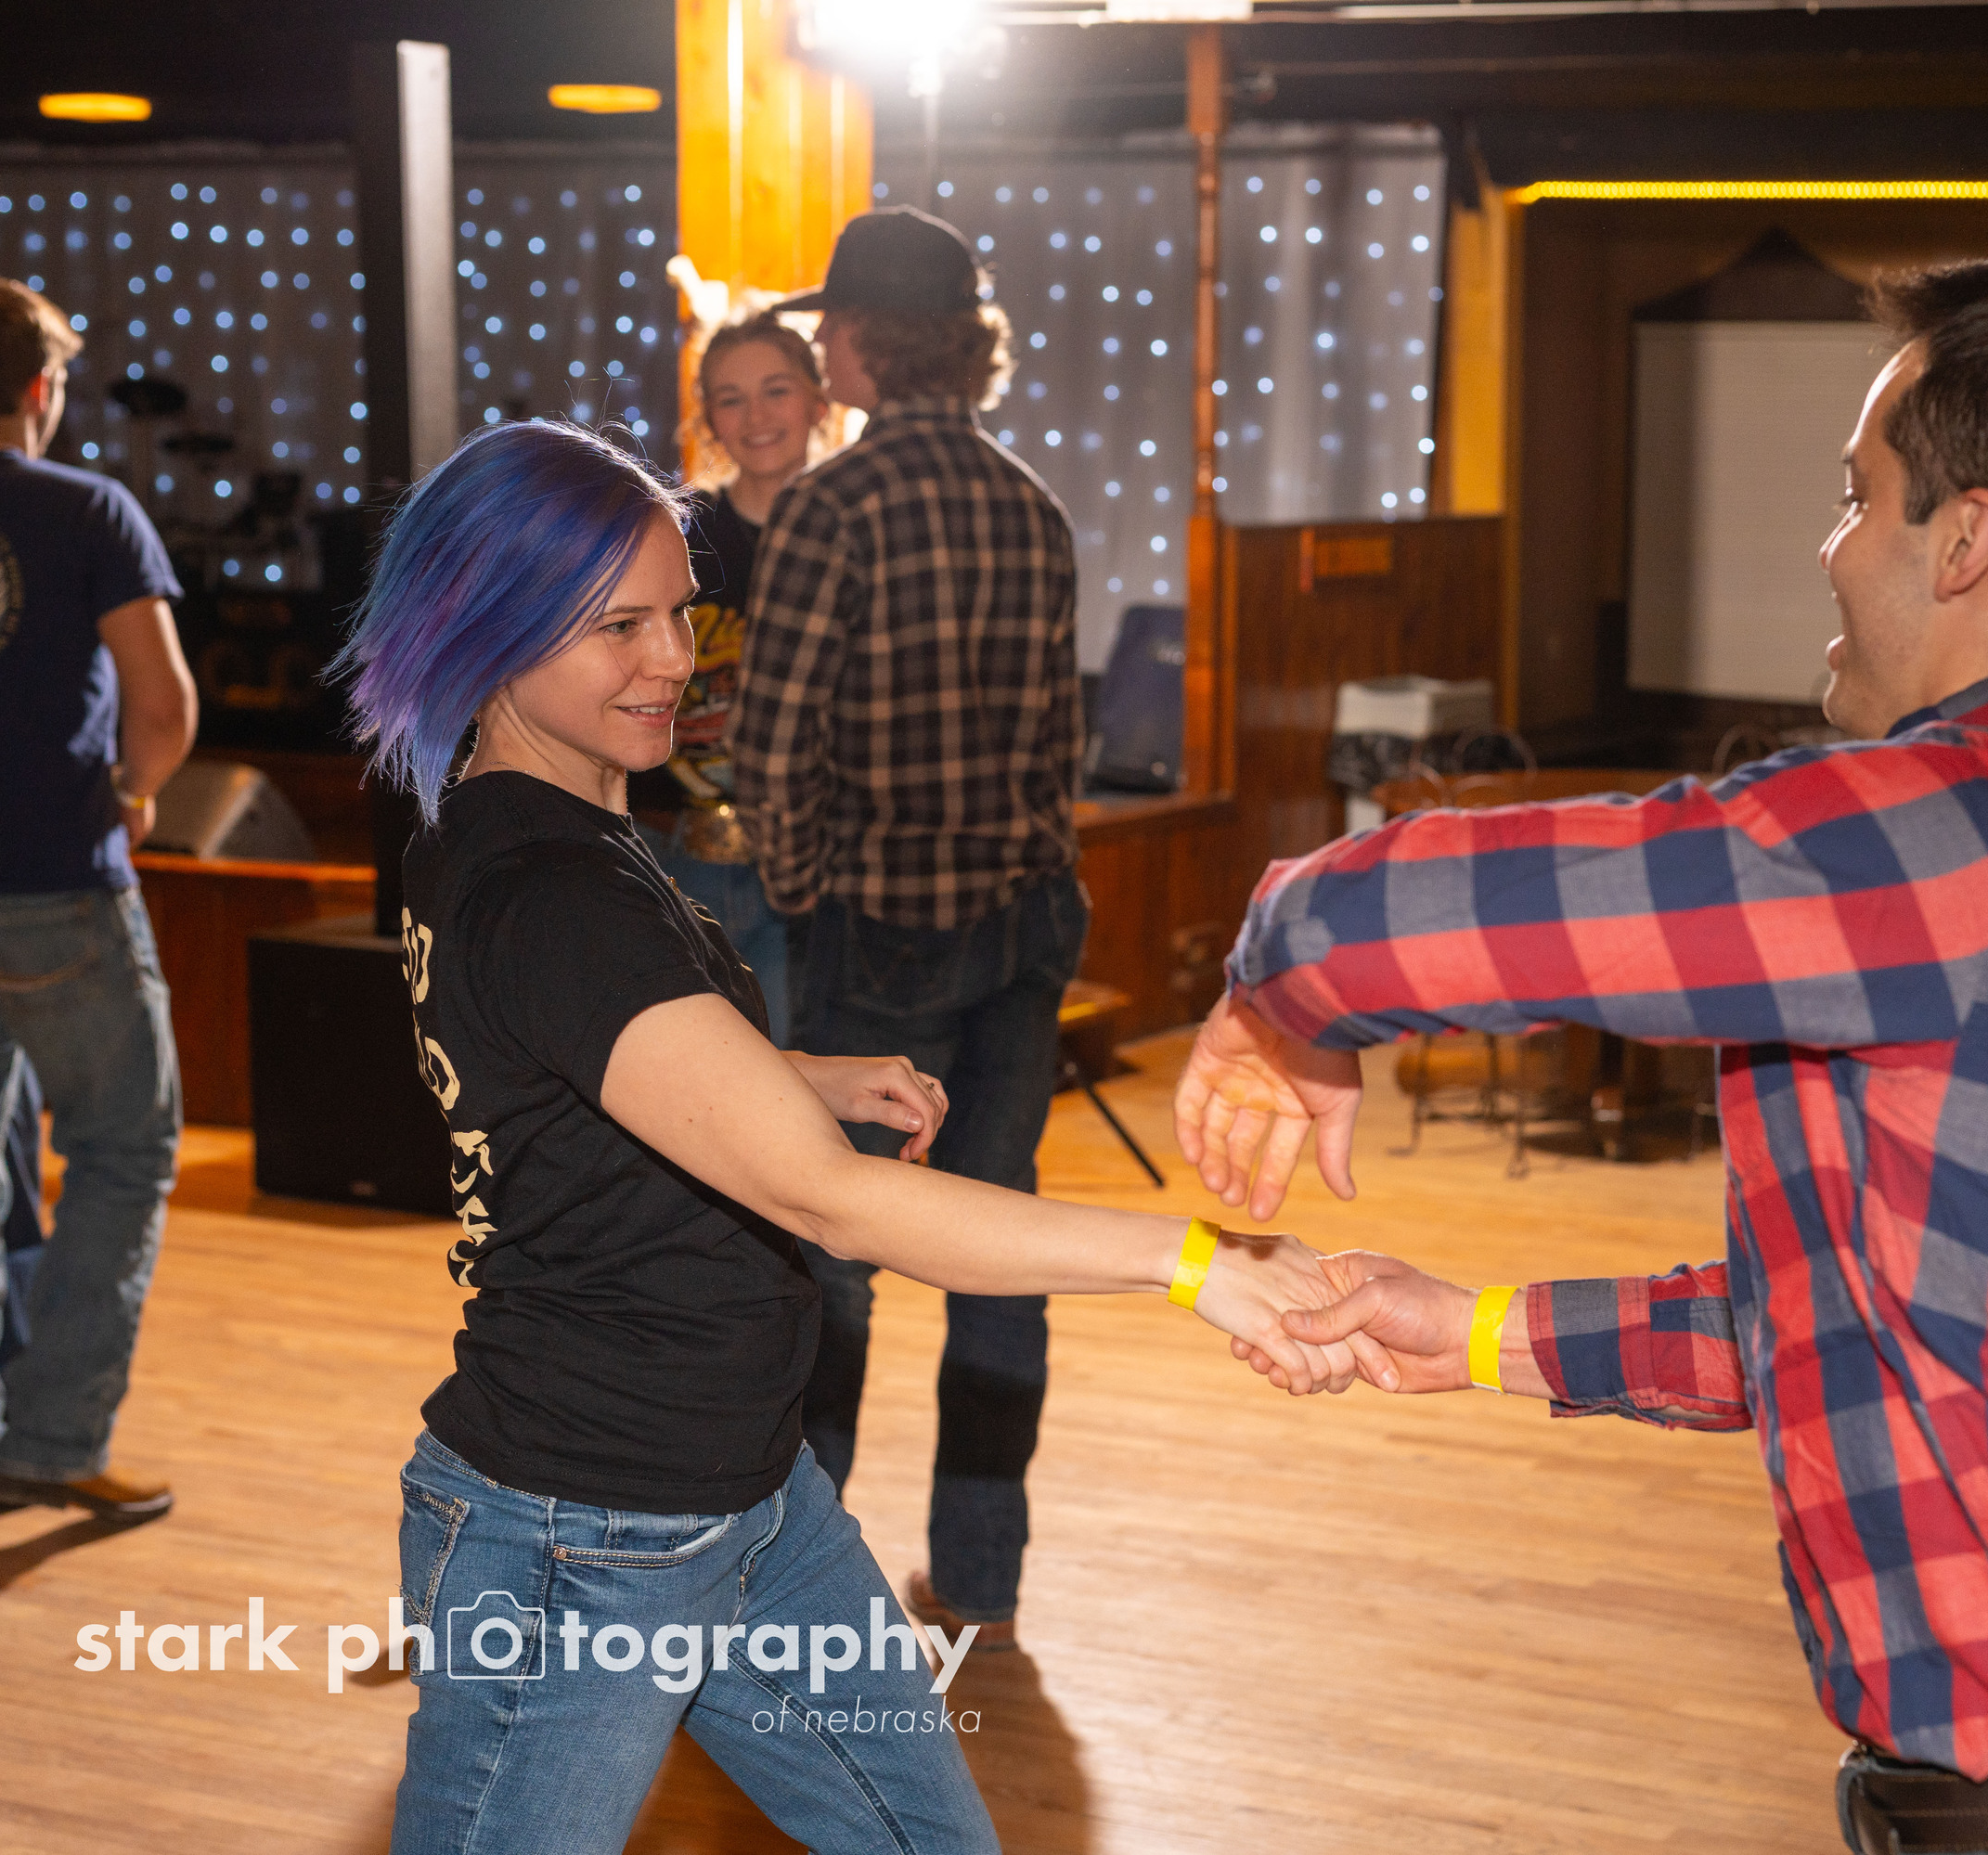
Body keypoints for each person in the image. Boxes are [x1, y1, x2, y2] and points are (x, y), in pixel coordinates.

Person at [1180, 260, 1988, 1853]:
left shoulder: (1964, 830)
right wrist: (1470, 1330)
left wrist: (1279, 989)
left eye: (1858, 495)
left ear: (1967, 541)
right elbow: (1864, 1324)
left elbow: (1412, 915)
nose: (1830, 546)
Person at [329, 418, 1358, 1855]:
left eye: (681, 612)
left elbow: (559, 1070)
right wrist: (1199, 1261)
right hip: (580, 1533)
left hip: (753, 1500)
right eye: (618, 626)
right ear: (488, 630)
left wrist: (790, 1073)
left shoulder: (517, 829)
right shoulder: (551, 891)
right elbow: (836, 1205)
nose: (677, 660)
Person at [732, 208, 1084, 1654]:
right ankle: (982, 1572)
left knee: (837, 1245)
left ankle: (801, 1567)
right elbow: (1061, 743)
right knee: (1004, 1242)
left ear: (867, 339)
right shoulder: (1034, 503)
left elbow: (771, 749)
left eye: (829, 324)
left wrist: (801, 889)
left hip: (879, 924)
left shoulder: (832, 507)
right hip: (1023, 915)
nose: (820, 344)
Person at [0, 277, 193, 1541]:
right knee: (125, 1147)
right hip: (57, 888)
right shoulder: (90, 508)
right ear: (40, 388)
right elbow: (164, 703)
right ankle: (51, 1443)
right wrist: (136, 794)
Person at [625, 308, 841, 1047]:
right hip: (685, 850)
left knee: (813, 1075)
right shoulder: (677, 536)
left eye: (777, 390)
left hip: (825, 865)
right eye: (731, 397)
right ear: (708, 417)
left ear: (818, 400)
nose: (757, 417)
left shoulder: (855, 529)